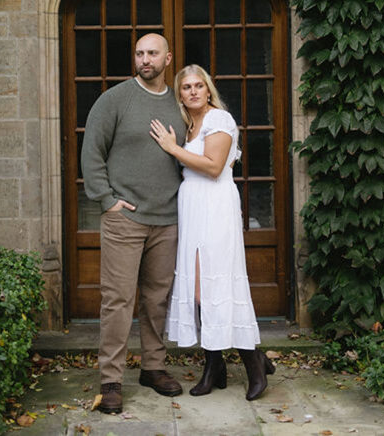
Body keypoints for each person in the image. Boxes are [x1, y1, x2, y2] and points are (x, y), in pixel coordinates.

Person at [149, 64, 273, 401]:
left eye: (198, 86)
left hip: (216, 206)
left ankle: (254, 364)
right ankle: (214, 365)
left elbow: (214, 167)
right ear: (180, 94)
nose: (192, 92)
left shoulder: (220, 120)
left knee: (220, 284)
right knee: (199, 292)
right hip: (192, 207)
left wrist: (173, 149)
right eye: (185, 87)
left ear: (208, 90)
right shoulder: (189, 126)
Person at [81, 33, 188, 414]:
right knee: (118, 300)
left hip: (168, 218)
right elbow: (91, 151)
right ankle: (111, 379)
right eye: (140, 53)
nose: (145, 59)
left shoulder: (180, 103)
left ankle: (153, 367)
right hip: (125, 218)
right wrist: (107, 200)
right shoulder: (114, 100)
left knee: (157, 299)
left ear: (167, 58)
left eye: (152, 53)